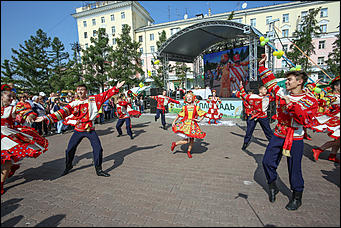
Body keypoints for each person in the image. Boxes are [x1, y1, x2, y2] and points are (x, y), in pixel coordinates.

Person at [258, 54, 318, 211]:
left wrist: (293, 105)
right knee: (266, 162)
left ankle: (297, 196)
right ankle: (273, 185)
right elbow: (270, 82)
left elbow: (306, 120)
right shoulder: (282, 92)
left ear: (300, 81)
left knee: (294, 168)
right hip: (278, 134)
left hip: (296, 137)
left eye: (290, 80)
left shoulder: (310, 100)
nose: (286, 82)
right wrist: (262, 66)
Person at [35, 81, 125, 177]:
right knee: (70, 149)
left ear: (86, 91)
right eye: (78, 90)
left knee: (98, 149)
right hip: (78, 129)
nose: (80, 92)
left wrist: (116, 87)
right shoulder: (74, 103)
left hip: (90, 129)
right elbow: (62, 112)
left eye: (82, 90)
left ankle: (98, 169)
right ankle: (68, 166)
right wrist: (46, 117)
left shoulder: (92, 100)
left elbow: (105, 95)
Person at [1, 84, 48, 195]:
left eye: (12, 96)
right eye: (9, 96)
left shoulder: (13, 108)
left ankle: (1, 183)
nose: (12, 98)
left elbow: (25, 112)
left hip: (8, 136)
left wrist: (30, 116)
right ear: (2, 97)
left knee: (6, 159)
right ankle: (12, 167)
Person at [234, 84, 274, 150]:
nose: (266, 91)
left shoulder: (268, 97)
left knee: (268, 131)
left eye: (266, 89)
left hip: (263, 116)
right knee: (249, 130)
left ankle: (273, 144)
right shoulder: (253, 96)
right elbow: (244, 95)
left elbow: (275, 95)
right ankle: (245, 143)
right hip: (253, 116)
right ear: (260, 90)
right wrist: (240, 87)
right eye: (264, 89)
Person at [311, 76, 340, 163]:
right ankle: (319, 149)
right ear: (335, 86)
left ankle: (332, 155)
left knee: (337, 140)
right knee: (338, 141)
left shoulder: (338, 96)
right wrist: (324, 101)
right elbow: (325, 100)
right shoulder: (333, 96)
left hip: (337, 122)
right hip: (336, 121)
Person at [171, 91, 207, 158]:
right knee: (186, 140)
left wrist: (199, 120)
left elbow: (203, 113)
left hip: (193, 125)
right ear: (185, 99)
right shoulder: (184, 107)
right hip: (186, 124)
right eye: (187, 97)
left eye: (190, 97)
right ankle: (175, 144)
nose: (189, 98)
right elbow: (179, 115)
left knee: (192, 140)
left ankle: (189, 151)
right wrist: (174, 122)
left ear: (193, 98)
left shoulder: (196, 107)